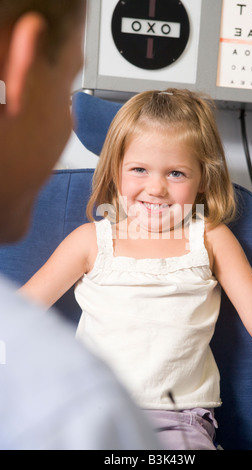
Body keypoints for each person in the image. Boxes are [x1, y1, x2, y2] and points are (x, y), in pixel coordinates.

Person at [20, 89, 252, 450]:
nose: (156, 188)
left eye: (176, 173)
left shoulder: (211, 238)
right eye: (139, 169)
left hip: (177, 423)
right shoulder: (90, 241)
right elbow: (19, 313)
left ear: (202, 179)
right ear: (115, 171)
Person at [0, 0, 159, 450]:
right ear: (23, 65)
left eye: (177, 173)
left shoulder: (212, 237)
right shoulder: (83, 410)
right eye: (68, 83)